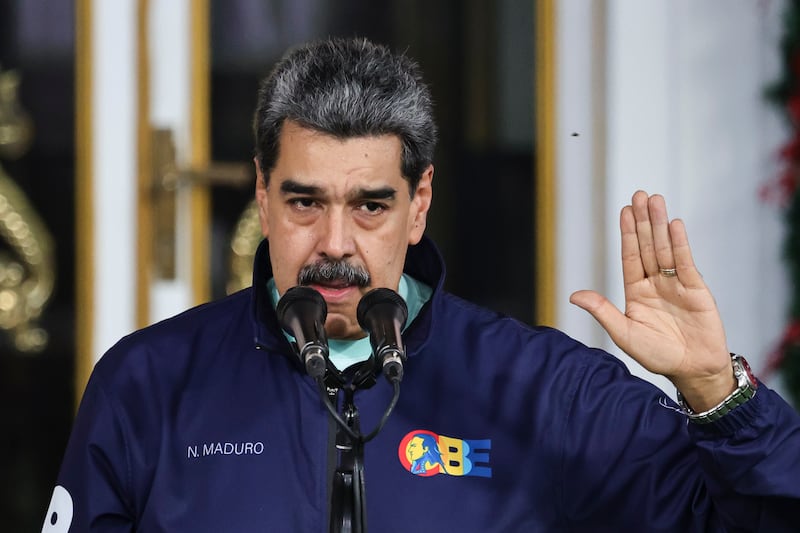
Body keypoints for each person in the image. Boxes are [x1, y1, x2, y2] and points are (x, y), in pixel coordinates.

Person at [44, 37, 800, 532]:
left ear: (420, 204)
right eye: (305, 201)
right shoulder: (148, 382)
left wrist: (716, 395)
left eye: (370, 205)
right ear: (263, 195)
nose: (334, 243)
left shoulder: (544, 388)